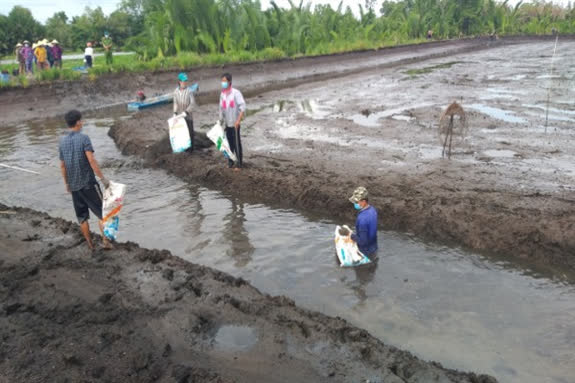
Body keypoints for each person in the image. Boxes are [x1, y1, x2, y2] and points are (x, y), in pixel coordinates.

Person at [59, 110, 112, 250]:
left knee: (82, 218)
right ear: (77, 122)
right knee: (103, 214)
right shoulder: (84, 138)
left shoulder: (62, 142)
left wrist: (67, 183)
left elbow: (62, 165)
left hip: (74, 186)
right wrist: (103, 178)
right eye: (80, 120)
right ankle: (105, 242)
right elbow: (91, 160)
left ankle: (90, 246)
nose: (82, 123)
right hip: (88, 183)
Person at [219, 73, 246, 170]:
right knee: (229, 144)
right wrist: (220, 122)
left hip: (235, 123)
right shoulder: (222, 94)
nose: (223, 83)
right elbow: (221, 109)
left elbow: (242, 107)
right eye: (222, 81)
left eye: (225, 81)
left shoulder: (236, 93)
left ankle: (239, 164)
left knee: (236, 143)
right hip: (227, 123)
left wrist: (238, 120)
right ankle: (230, 162)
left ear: (229, 82)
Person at [348, 187, 378, 257]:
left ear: (363, 201)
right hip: (373, 248)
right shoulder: (373, 210)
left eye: (356, 202)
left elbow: (363, 242)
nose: (354, 204)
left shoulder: (362, 219)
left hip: (364, 253)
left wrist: (351, 236)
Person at [173, 72, 196, 152]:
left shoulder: (189, 91)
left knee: (190, 133)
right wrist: (175, 113)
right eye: (183, 81)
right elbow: (175, 103)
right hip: (180, 117)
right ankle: (184, 149)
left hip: (188, 116)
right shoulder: (176, 92)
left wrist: (186, 112)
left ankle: (191, 150)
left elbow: (192, 104)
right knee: (182, 134)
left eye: (186, 81)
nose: (185, 82)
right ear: (179, 81)